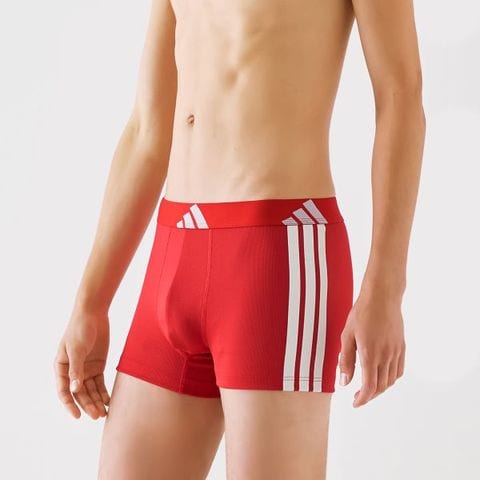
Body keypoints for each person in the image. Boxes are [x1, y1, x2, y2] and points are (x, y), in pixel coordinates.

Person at [53, 0, 425, 478]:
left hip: (279, 255)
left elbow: (401, 97)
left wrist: (386, 289)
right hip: (176, 250)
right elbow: (147, 129)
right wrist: (91, 301)